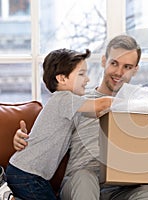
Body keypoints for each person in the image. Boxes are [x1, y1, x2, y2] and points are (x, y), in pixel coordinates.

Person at [13, 35, 148, 200]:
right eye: (114, 63)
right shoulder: (80, 100)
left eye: (127, 67)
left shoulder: (143, 105)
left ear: (135, 70)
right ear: (104, 61)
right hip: (81, 182)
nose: (119, 72)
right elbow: (50, 129)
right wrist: (21, 138)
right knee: (85, 177)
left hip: (122, 187)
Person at [6, 48, 113, 200]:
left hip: (29, 173)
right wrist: (139, 104)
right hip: (26, 174)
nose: (87, 79)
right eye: (81, 74)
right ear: (62, 79)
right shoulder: (64, 99)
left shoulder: (69, 104)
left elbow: (96, 112)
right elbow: (101, 105)